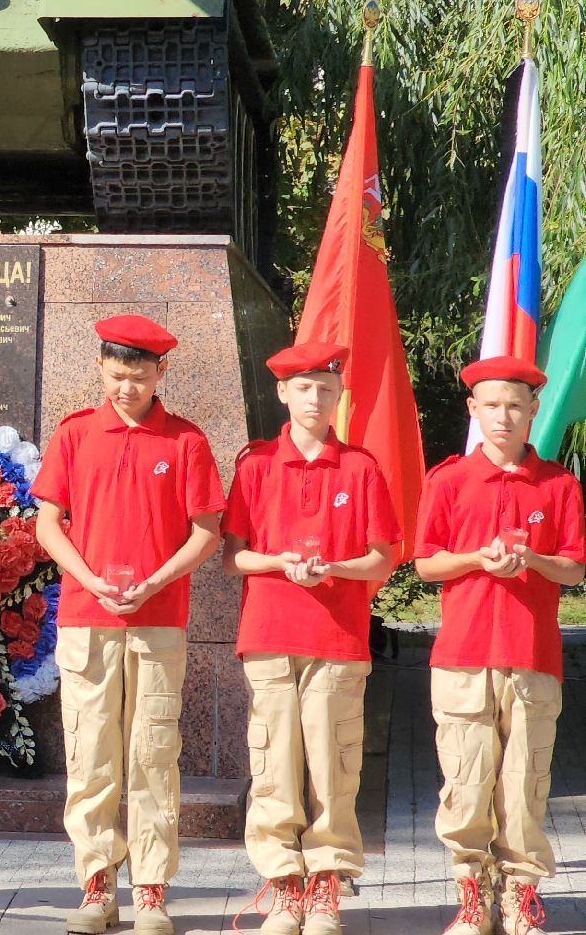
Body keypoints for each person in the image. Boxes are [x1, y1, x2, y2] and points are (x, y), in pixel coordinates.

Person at [30, 314, 225, 935]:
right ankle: (95, 887)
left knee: (153, 755)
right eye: (115, 377)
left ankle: (150, 891)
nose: (125, 389)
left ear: (160, 373)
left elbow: (207, 533)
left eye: (137, 379)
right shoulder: (75, 434)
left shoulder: (186, 442)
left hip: (158, 620)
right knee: (90, 755)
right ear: (100, 369)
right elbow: (47, 523)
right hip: (86, 619)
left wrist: (154, 582)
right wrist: (89, 581)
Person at [223, 342, 398, 935]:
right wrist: (277, 560)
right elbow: (233, 556)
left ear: (337, 395)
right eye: (303, 389)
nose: (315, 400)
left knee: (333, 764)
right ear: (283, 393)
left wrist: (335, 569)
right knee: (273, 763)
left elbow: (383, 557)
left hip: (338, 636)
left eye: (325, 389)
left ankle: (326, 884)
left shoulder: (361, 468)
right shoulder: (254, 465)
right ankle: (283, 885)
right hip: (270, 633)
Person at [415, 356, 583, 935]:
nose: (503, 417)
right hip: (462, 656)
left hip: (533, 656)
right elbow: (425, 563)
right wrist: (475, 557)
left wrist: (531, 559)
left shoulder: (558, 484)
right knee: (465, 783)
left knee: (526, 781)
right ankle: (471, 894)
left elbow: (573, 569)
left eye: (515, 405)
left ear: (534, 410)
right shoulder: (448, 480)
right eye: (491, 405)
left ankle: (520, 894)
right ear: (473, 410)